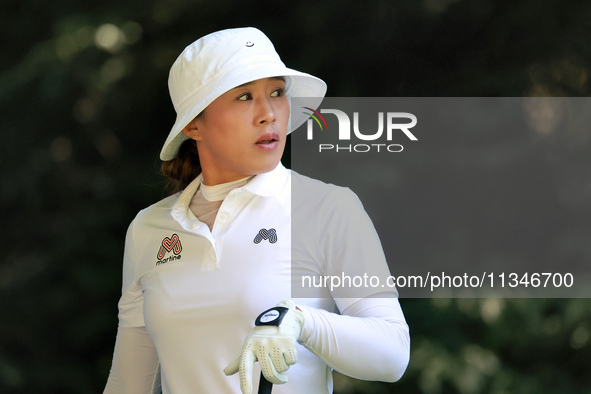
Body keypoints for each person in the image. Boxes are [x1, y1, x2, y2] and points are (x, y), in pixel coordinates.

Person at [104, 27, 410, 394]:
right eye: (245, 96)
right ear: (192, 124)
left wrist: (301, 323)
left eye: (278, 93)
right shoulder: (148, 229)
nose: (269, 114)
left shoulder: (327, 208)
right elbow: (128, 385)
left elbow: (393, 353)